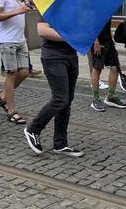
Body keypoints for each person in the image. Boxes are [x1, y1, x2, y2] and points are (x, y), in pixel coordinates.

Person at [24, 15, 83, 157]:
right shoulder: (52, 5)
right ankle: (33, 129)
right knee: (60, 99)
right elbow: (42, 30)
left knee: (67, 101)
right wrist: (70, 37)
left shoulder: (74, 8)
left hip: (71, 57)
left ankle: (60, 144)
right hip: (53, 58)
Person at [0, 0, 30, 124]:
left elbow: (22, 10)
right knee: (12, 74)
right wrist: (17, 12)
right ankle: (11, 110)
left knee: (25, 72)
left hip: (20, 39)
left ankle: (3, 97)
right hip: (7, 40)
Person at [88, 19, 126, 112]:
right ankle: (95, 99)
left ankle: (110, 97)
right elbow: (89, 22)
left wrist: (111, 37)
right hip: (97, 41)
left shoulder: (107, 5)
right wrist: (95, 41)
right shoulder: (94, 5)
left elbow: (107, 22)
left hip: (108, 40)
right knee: (97, 68)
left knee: (115, 67)